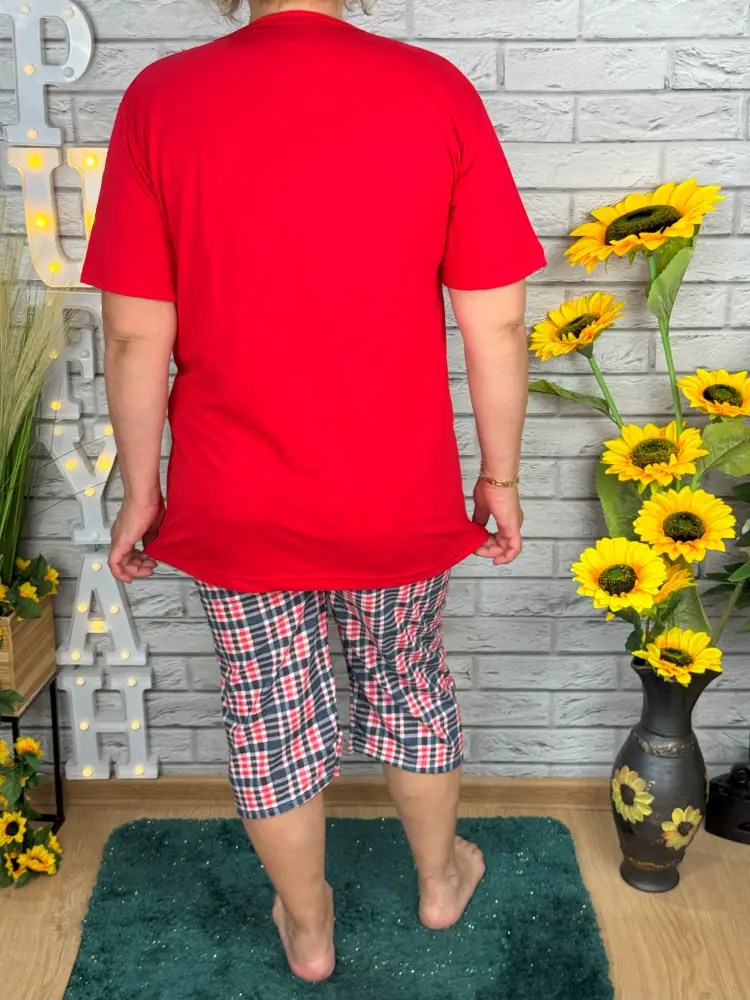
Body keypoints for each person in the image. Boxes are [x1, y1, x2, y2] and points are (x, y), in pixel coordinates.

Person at [81, 0, 546, 983]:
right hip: (395, 493)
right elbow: (497, 323)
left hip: (233, 496)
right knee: (409, 684)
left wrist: (140, 488)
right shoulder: (436, 93)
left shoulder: (161, 100)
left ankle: (309, 925)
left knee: (269, 712)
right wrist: (500, 475)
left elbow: (133, 333)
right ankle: (439, 881)